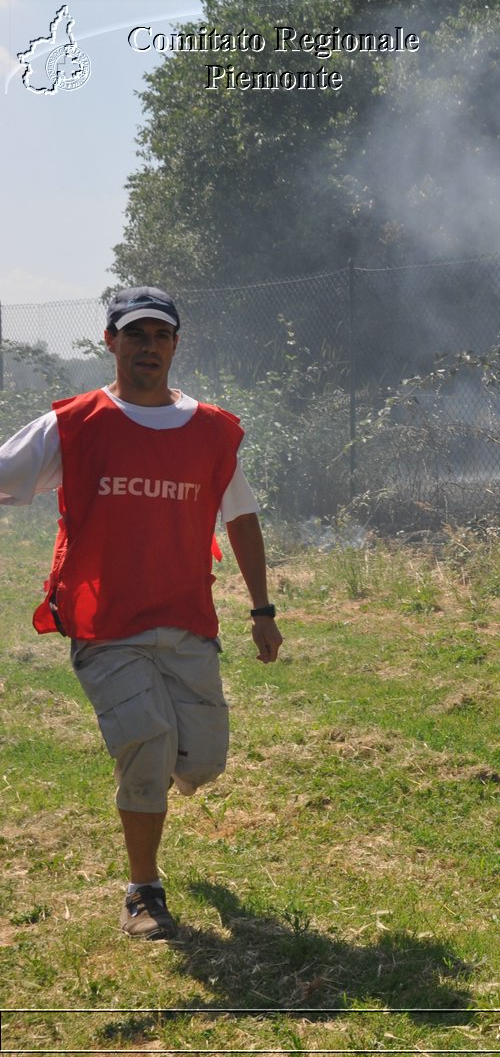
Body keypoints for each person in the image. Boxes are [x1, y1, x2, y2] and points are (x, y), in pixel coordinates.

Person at [0, 286, 283, 941]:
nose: (148, 346)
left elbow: (240, 517)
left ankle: (159, 779)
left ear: (175, 345)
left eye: (160, 335)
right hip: (106, 625)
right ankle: (143, 890)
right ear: (112, 342)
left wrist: (262, 608)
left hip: (188, 622)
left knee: (203, 761)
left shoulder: (213, 430)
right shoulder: (76, 423)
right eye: (135, 334)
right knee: (148, 744)